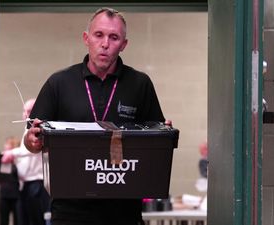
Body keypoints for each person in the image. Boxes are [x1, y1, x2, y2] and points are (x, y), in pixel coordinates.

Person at [24, 7, 168, 225]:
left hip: (123, 211)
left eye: (114, 37)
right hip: (70, 211)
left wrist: (162, 134)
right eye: (98, 35)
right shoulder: (59, 83)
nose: (105, 44)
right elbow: (31, 137)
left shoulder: (139, 84)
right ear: (86, 38)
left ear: (124, 44)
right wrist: (32, 140)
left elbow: (156, 136)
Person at [1, 98, 50, 225]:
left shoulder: (39, 129)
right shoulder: (27, 129)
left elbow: (32, 149)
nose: (25, 114)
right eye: (24, 111)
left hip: (37, 184)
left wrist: (11, 153)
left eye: (28, 111)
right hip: (26, 185)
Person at [0, 136, 21, 225]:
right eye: (6, 144)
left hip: (16, 196)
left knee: (17, 221)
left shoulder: (18, 159)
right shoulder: (2, 159)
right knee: (3, 221)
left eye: (9, 145)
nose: (6, 146)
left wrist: (13, 160)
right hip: (4, 195)